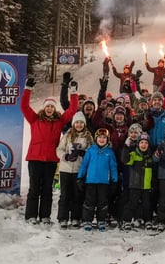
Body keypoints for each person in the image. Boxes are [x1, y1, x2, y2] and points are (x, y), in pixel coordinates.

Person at [21, 77, 78, 225]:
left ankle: (45, 216)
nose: (50, 109)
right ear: (44, 108)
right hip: (35, 159)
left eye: (52, 107)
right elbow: (24, 107)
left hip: (51, 160)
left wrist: (73, 92)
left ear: (54, 109)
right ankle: (31, 216)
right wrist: (28, 89)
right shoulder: (34, 119)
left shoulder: (59, 122)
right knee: (34, 189)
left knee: (47, 189)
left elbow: (72, 110)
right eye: (48, 106)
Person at [56, 111, 93, 228]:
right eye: (77, 123)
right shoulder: (67, 135)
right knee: (65, 194)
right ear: (73, 124)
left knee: (77, 195)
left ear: (84, 124)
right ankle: (63, 217)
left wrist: (84, 153)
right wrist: (65, 156)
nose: (79, 125)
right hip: (65, 169)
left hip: (79, 169)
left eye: (81, 123)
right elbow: (59, 149)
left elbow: (92, 152)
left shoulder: (88, 136)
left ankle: (76, 217)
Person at [77, 128, 119, 231]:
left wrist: (114, 180)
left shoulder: (110, 152)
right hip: (90, 181)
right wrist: (80, 177)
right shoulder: (91, 150)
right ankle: (87, 220)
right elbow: (84, 164)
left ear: (107, 139)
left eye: (104, 137)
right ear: (96, 138)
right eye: (100, 137)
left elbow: (113, 167)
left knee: (102, 202)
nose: (102, 139)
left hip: (104, 182)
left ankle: (101, 220)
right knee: (89, 202)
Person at [120, 132, 154, 230]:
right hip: (135, 184)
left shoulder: (150, 157)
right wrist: (126, 147)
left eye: (146, 143)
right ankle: (126, 220)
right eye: (141, 142)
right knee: (132, 203)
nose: (143, 145)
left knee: (147, 204)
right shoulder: (133, 154)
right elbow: (125, 160)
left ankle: (148, 220)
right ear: (138, 144)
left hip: (146, 185)